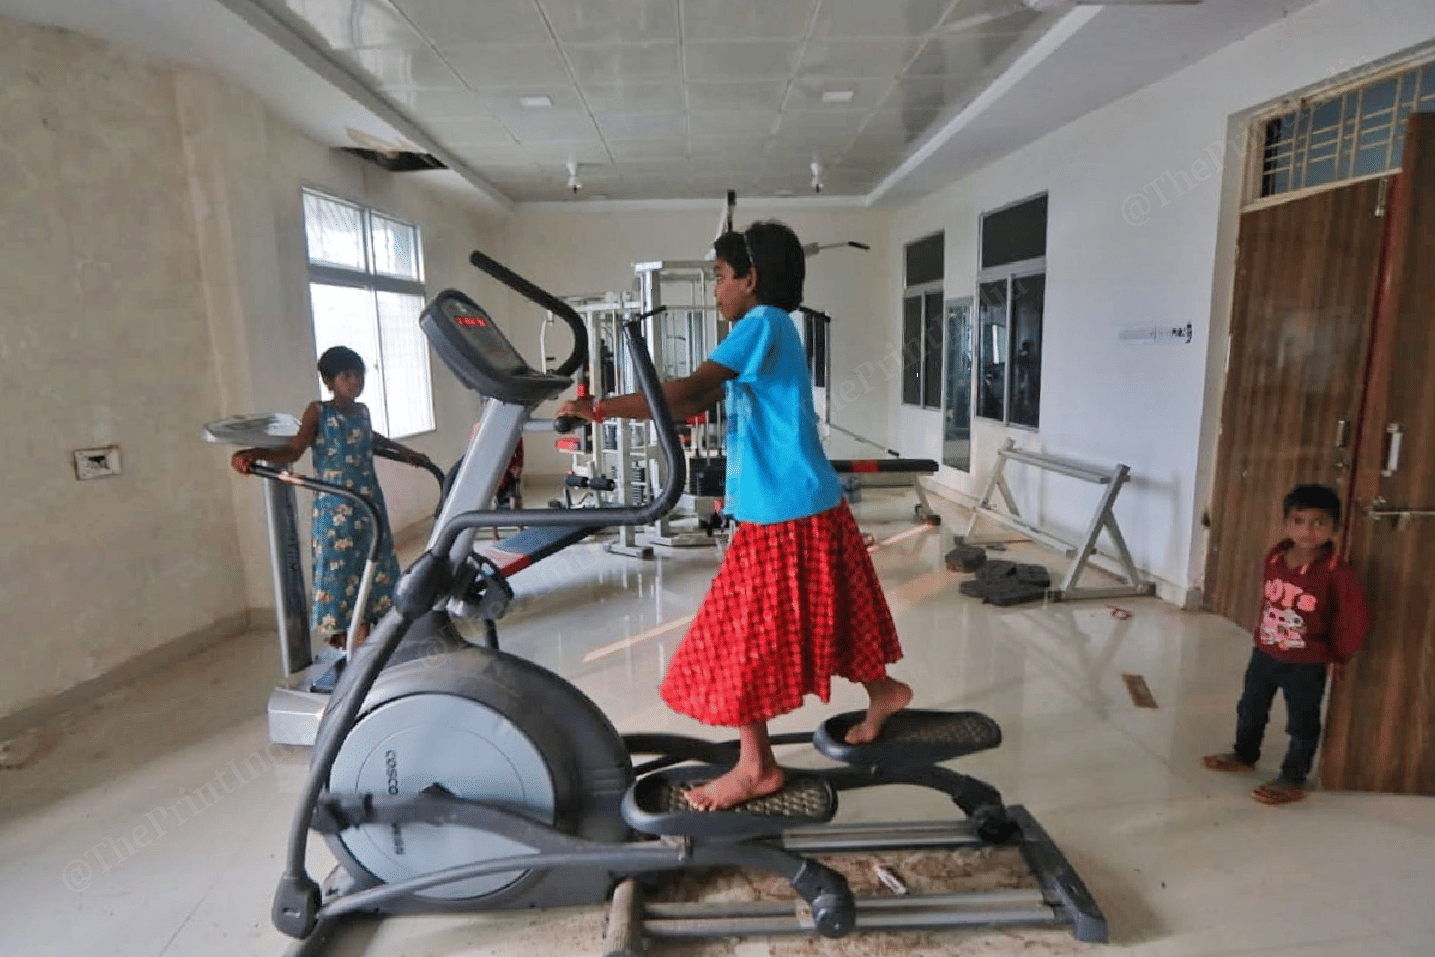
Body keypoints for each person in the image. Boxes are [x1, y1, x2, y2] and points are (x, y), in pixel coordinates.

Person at [558, 220, 911, 812]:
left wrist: (597, 408)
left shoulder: (762, 322)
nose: (717, 290)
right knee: (837, 614)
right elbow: (700, 399)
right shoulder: (774, 328)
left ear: (752, 279)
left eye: (722, 277)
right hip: (806, 504)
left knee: (739, 640)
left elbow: (690, 391)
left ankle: (757, 768)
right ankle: (885, 691)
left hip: (784, 516)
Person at [231, 346, 434, 648]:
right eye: (346, 375)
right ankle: (345, 634)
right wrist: (254, 454)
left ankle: (368, 632)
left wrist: (406, 452)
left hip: (369, 503)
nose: (355, 381)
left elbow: (370, 437)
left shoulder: (363, 411)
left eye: (359, 375)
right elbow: (294, 450)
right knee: (338, 567)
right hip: (335, 506)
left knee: (374, 562)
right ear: (328, 380)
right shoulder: (318, 412)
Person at [1202, 483, 1371, 805]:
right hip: (1265, 652)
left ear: (1335, 528)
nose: (1307, 530)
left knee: (1302, 722)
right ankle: (1244, 754)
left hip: (1306, 662)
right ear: (1286, 524)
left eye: (1319, 523)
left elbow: (1354, 618)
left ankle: (1293, 777)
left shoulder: (1337, 572)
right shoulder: (1276, 557)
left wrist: (1340, 656)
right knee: (1250, 707)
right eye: (1298, 521)